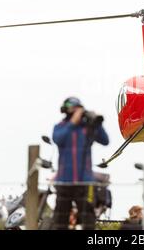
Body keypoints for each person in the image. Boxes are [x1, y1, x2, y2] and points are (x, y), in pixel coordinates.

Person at [52, 97, 109, 230]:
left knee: (88, 217)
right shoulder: (60, 127)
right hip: (64, 181)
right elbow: (58, 139)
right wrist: (72, 122)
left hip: (85, 181)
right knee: (60, 217)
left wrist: (97, 123)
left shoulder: (87, 128)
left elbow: (105, 141)